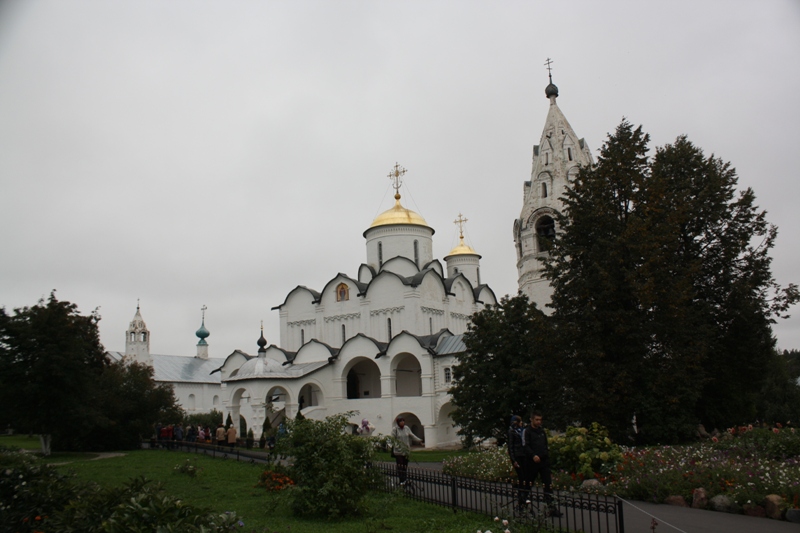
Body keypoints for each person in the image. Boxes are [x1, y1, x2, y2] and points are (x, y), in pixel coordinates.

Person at [524, 412, 562, 517]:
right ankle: (522, 506)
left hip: (543, 461)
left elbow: (545, 445)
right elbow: (526, 445)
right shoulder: (527, 431)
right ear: (532, 420)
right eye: (537, 420)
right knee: (528, 484)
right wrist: (533, 455)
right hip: (532, 462)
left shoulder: (542, 432)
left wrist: (544, 455)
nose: (539, 422)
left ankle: (552, 508)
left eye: (540, 420)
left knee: (547, 485)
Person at [391, 416, 423, 485]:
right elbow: (392, 439)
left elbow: (412, 436)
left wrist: (419, 441)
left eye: (403, 421)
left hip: (406, 450)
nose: (402, 422)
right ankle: (401, 480)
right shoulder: (395, 429)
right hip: (398, 451)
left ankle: (404, 478)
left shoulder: (406, 428)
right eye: (401, 421)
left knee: (405, 465)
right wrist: (393, 445)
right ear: (398, 422)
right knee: (400, 465)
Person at [507, 415, 529, 511]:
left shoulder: (523, 431)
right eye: (520, 421)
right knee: (521, 476)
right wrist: (513, 460)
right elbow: (510, 446)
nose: (521, 423)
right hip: (517, 456)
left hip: (524, 456)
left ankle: (522, 497)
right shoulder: (512, 431)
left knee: (525, 477)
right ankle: (521, 500)